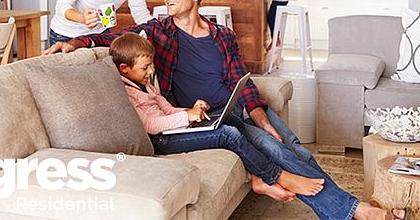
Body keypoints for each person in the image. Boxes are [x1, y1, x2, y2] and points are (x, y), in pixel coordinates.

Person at [45, 0, 407, 220]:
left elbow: (241, 82)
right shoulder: (159, 32)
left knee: (291, 144)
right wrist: (74, 42)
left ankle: (347, 210)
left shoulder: (223, 36)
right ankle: (359, 211)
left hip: (235, 108)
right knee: (275, 150)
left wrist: (262, 118)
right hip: (207, 116)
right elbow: (114, 38)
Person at [109, 32, 325, 202]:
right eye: (145, 68)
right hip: (161, 140)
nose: (150, 72)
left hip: (172, 130)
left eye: (151, 66)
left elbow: (166, 110)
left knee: (231, 119)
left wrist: (190, 111)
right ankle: (275, 176)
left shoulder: (145, 84)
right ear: (124, 69)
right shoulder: (127, 92)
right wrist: (186, 118)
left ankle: (257, 177)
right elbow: (150, 125)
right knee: (228, 135)